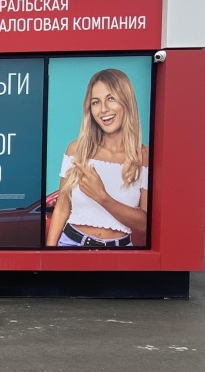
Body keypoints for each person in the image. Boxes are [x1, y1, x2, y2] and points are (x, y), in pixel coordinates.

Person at [46, 69, 148, 248]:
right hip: (71, 245)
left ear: (127, 101)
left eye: (111, 98)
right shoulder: (77, 150)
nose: (103, 109)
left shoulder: (144, 156)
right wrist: (49, 254)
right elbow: (61, 207)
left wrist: (102, 197)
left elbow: (145, 223)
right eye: (96, 102)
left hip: (121, 253)